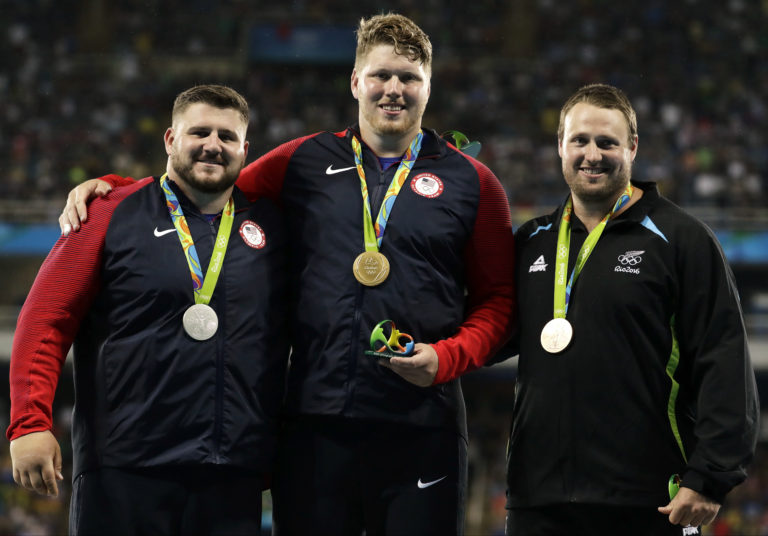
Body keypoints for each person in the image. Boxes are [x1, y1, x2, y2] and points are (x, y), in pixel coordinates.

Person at [57, 13, 516, 536]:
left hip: (422, 424)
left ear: (429, 87)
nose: (394, 89)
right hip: (313, 426)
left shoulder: (474, 182)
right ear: (355, 82)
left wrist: (447, 358)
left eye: (409, 78)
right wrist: (117, 191)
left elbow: (499, 303)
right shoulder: (302, 160)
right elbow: (200, 187)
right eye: (381, 75)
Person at [9, 85, 288, 535]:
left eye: (227, 136)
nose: (213, 145)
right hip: (125, 470)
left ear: (245, 150)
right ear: (170, 140)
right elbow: (45, 319)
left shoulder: (270, 226)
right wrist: (29, 423)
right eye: (199, 132)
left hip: (231, 473)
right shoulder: (105, 213)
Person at [504, 83, 758, 535]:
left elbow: (723, 359)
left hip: (649, 500)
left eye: (608, 142)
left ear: (633, 148)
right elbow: (488, 331)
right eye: (579, 140)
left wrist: (709, 477)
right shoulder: (531, 241)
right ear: (560, 145)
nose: (592, 154)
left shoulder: (682, 240)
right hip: (538, 501)